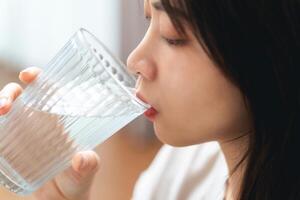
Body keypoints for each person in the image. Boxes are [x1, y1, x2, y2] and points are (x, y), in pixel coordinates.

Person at [0, 0, 299, 199]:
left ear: (269, 47)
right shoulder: (186, 163)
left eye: (173, 36)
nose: (134, 60)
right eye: (147, 22)